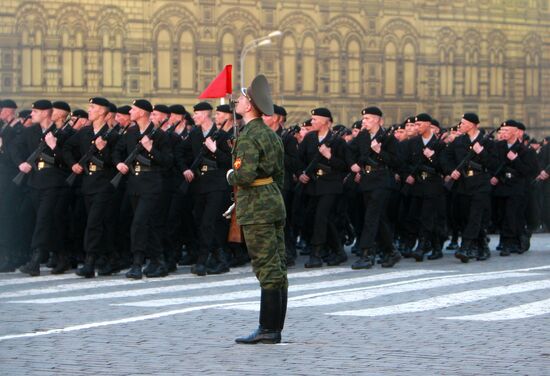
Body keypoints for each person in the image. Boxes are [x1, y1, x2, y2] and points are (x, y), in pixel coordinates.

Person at [227, 74, 287, 344]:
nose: (237, 101)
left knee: (266, 267)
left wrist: (230, 175)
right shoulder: (270, 135)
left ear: (250, 105)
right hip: (272, 200)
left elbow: (244, 175)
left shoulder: (250, 135)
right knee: (277, 265)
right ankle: (273, 328)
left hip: (257, 207)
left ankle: (268, 329)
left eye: (240, 99)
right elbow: (280, 173)